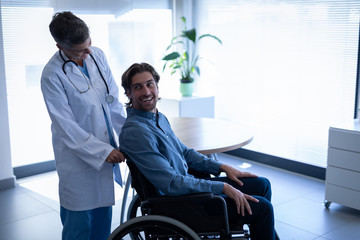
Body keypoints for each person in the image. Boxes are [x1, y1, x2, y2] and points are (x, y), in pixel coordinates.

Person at [118, 62, 276, 240]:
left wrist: (222, 167)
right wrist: (222, 187)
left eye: (149, 84)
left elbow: (185, 153)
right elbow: (171, 183)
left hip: (189, 190)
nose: (146, 92)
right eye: (137, 87)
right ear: (129, 93)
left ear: (157, 86)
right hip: (180, 204)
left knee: (263, 184)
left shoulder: (157, 117)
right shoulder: (136, 132)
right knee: (263, 208)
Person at [41, 11, 126, 240]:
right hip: (76, 159)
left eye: (88, 44)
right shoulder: (52, 75)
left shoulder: (96, 55)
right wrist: (104, 151)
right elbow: (65, 125)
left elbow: (113, 102)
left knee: (102, 219)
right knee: (78, 225)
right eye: (80, 50)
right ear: (60, 47)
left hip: (106, 149)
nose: (87, 52)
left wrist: (128, 135)